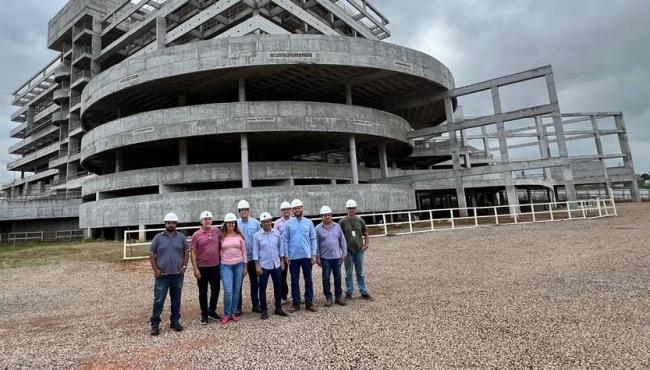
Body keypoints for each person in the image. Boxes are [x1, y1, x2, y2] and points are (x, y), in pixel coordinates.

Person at [148, 212, 189, 336]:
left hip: (177, 275)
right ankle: (155, 324)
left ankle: (175, 322)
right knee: (159, 300)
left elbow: (186, 252)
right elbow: (151, 254)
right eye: (168, 223)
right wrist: (155, 270)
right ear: (165, 224)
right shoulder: (158, 238)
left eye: (173, 223)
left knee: (176, 300)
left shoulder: (181, 237)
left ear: (176, 224)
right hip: (162, 276)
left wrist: (184, 267)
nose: (171, 225)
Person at [281, 199, 318, 313]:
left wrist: (313, 254)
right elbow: (285, 240)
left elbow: (313, 238)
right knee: (294, 280)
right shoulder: (288, 224)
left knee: (308, 280)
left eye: (299, 208)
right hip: (293, 257)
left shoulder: (309, 222)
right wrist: (286, 255)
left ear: (302, 208)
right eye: (295, 208)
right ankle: (296, 303)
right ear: (292, 210)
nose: (297, 210)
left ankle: (309, 302)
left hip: (306, 256)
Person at [253, 212, 289, 319]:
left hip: (276, 264)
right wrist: (257, 265)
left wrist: (282, 261)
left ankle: (278, 308)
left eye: (268, 221)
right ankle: (264, 310)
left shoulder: (277, 233)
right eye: (264, 222)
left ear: (271, 221)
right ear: (261, 223)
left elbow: (280, 248)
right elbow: (256, 252)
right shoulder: (257, 236)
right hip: (264, 265)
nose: (266, 223)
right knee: (262, 288)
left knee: (278, 286)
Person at [190, 210, 221, 325]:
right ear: (201, 221)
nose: (207, 221)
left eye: (209, 219)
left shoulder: (217, 231)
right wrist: (195, 269)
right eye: (205, 219)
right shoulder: (196, 235)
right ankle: (204, 313)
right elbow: (192, 253)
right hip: (202, 267)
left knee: (216, 289)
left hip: (215, 266)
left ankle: (211, 310)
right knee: (203, 292)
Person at [339, 199, 373, 301]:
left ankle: (363, 291)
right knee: (348, 273)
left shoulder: (360, 221)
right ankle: (349, 292)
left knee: (360, 272)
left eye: (353, 208)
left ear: (355, 209)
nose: (352, 210)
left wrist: (366, 244)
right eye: (350, 208)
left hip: (359, 250)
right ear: (347, 209)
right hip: (348, 251)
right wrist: (342, 249)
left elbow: (366, 233)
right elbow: (339, 236)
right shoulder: (342, 222)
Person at [315, 206, 348, 307]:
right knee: (326, 278)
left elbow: (342, 240)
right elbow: (316, 244)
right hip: (325, 258)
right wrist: (317, 257)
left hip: (337, 257)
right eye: (325, 215)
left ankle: (338, 297)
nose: (327, 217)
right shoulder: (317, 229)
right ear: (321, 216)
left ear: (331, 215)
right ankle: (328, 297)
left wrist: (344, 253)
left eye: (329, 215)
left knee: (338, 277)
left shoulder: (337, 226)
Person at [219, 212, 247, 324]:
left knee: (236, 291)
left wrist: (245, 267)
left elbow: (244, 252)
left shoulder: (240, 236)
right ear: (225, 224)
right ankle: (226, 314)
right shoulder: (221, 236)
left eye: (232, 222)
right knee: (228, 290)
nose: (231, 224)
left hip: (239, 265)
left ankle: (232, 313)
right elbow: (217, 251)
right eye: (229, 223)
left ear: (235, 223)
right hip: (225, 266)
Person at [236, 199, 261, 315]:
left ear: (248, 210)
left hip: (252, 258)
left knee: (254, 282)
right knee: (238, 284)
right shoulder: (236, 224)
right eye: (242, 210)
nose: (244, 212)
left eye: (246, 210)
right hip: (240, 259)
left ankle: (255, 304)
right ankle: (238, 307)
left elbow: (260, 239)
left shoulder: (255, 223)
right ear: (239, 212)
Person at [273, 201, 292, 302]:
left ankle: (295, 296)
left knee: (294, 276)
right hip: (282, 253)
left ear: (290, 210)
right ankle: (283, 296)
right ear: (281, 211)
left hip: (293, 253)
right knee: (282, 276)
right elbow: (275, 237)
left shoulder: (294, 221)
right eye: (284, 210)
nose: (286, 211)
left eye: (288, 209)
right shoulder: (277, 223)